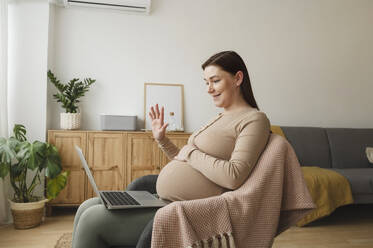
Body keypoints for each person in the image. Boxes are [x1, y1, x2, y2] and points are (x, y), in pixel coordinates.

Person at [72, 51, 271, 248]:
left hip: (186, 213)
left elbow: (234, 176)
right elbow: (185, 159)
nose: (209, 89)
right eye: (206, 82)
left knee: (92, 220)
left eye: (215, 80)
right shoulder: (219, 117)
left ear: (237, 78)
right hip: (164, 201)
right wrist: (162, 140)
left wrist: (191, 153)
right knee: (86, 206)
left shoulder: (254, 120)